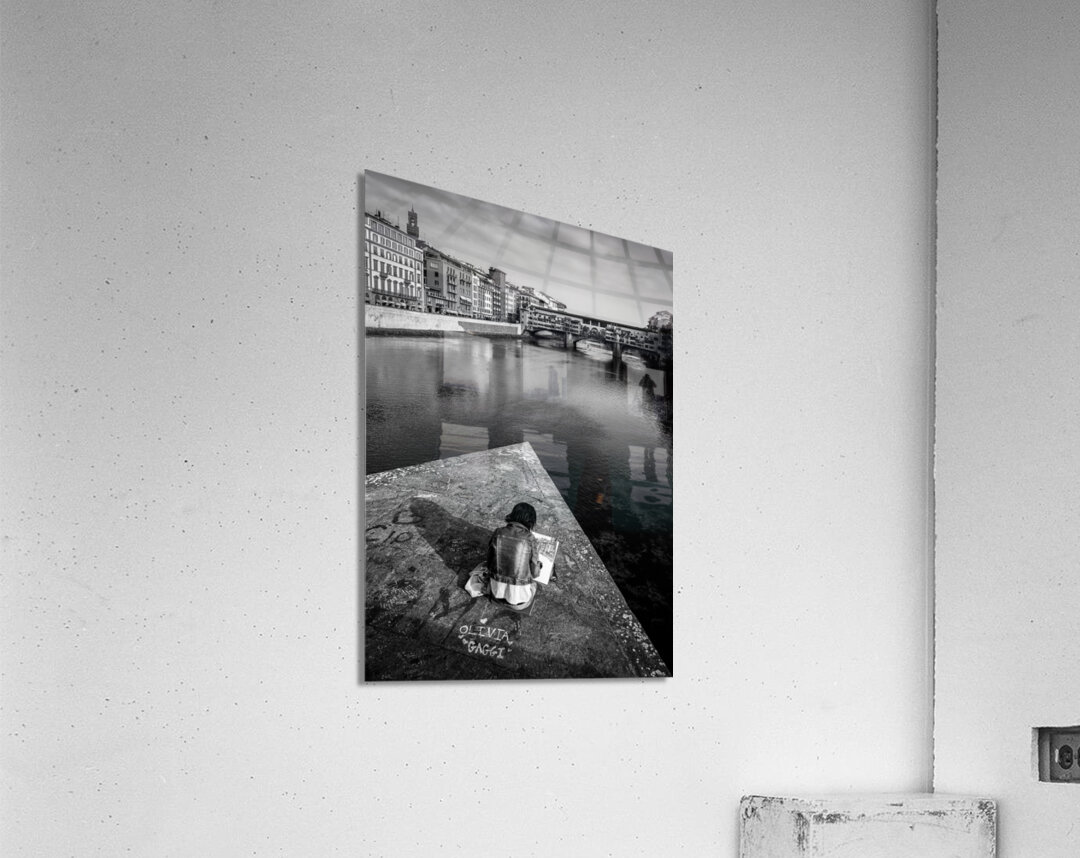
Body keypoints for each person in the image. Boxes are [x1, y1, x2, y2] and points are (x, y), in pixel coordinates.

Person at [485, 502, 541, 611]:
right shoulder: (530, 538)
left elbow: (488, 563)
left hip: (496, 593)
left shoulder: (498, 532)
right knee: (534, 585)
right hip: (521, 602)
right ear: (530, 521)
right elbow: (535, 574)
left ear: (513, 515)